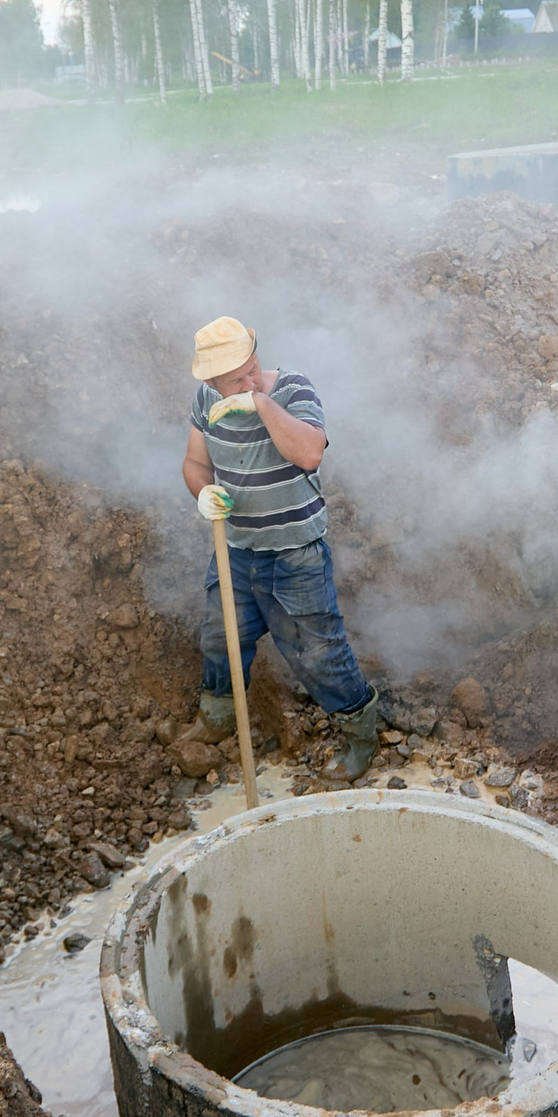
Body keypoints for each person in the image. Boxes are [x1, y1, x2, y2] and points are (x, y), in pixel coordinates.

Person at [179, 316, 384, 780]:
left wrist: (258, 403)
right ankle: (215, 719)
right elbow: (195, 462)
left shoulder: (292, 390)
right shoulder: (205, 399)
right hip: (235, 549)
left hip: (295, 556)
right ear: (211, 381)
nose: (251, 379)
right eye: (236, 379)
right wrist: (203, 493)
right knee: (220, 637)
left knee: (318, 653)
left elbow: (310, 452)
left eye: (253, 368)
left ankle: (360, 733)